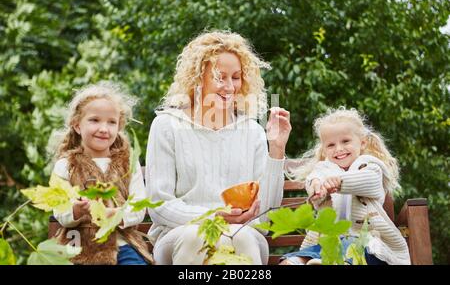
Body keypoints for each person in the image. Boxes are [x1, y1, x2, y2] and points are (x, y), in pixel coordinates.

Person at [145, 30, 292, 265]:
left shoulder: (252, 131)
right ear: (197, 77)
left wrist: (276, 149)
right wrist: (213, 217)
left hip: (242, 232)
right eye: (219, 76)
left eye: (236, 77)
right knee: (197, 236)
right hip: (180, 235)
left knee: (240, 238)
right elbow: (159, 205)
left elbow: (266, 216)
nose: (230, 86)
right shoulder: (167, 125)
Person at [280, 107, 411, 265]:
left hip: (367, 244)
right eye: (331, 145)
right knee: (290, 261)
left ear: (362, 143)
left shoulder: (370, 166)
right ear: (324, 150)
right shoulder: (324, 169)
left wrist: (339, 182)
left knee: (348, 250)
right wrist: (316, 186)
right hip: (326, 242)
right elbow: (314, 178)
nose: (339, 149)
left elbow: (369, 181)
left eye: (345, 141)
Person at [51, 82, 153, 265]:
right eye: (95, 120)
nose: (104, 129)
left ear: (119, 127)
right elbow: (60, 211)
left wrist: (117, 215)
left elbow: (138, 206)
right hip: (80, 248)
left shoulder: (128, 163)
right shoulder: (66, 165)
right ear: (77, 125)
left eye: (111, 122)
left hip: (122, 246)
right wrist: (76, 209)